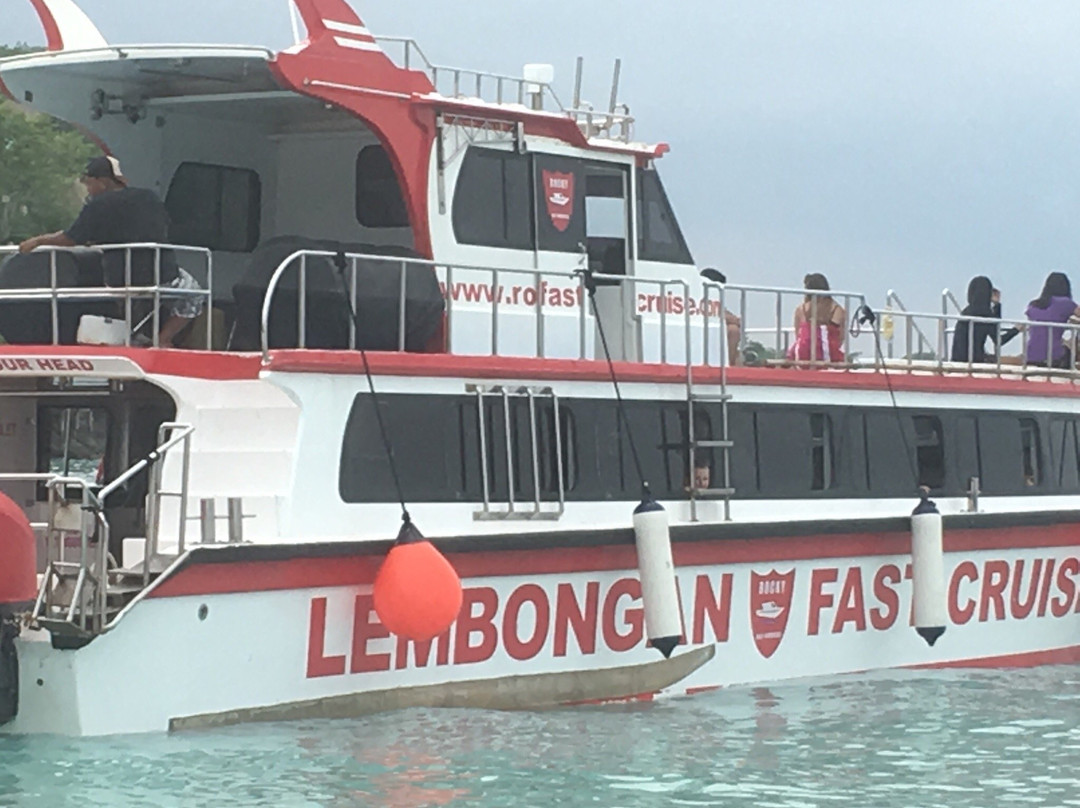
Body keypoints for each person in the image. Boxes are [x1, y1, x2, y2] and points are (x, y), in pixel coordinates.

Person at [18, 155, 203, 347]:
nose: (89, 190)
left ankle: (132, 335)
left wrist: (38, 240)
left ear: (103, 181)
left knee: (127, 300)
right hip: (160, 274)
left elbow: (70, 238)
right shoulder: (148, 197)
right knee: (194, 292)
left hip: (119, 280)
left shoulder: (97, 205)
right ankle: (163, 339)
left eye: (90, 184)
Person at [1024, 272, 1080, 368]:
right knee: (1069, 348)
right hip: (1053, 356)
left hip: (1031, 356)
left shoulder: (1033, 305)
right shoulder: (1066, 303)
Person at [787, 273, 846, 363]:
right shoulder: (837, 309)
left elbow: (798, 335)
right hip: (830, 354)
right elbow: (840, 338)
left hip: (803, 353)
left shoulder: (801, 309)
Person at [950, 276, 997, 363]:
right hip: (975, 360)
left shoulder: (966, 312)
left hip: (958, 359)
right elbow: (998, 339)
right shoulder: (986, 314)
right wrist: (1016, 329)